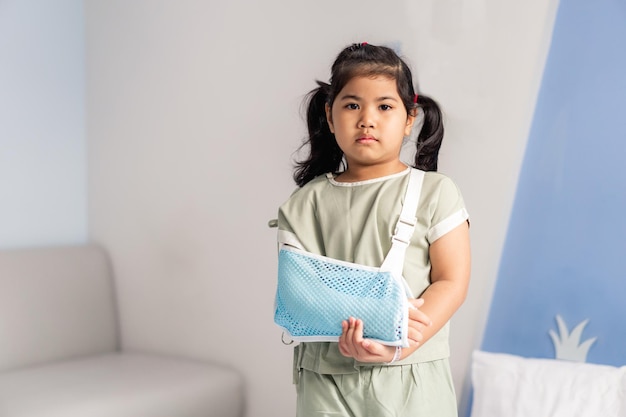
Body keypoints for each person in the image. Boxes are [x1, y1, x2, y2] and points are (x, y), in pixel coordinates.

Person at [276, 42, 471, 416]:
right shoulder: (305, 204)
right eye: (352, 105)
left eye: (384, 106)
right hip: (325, 379)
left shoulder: (435, 192)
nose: (367, 119)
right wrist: (368, 317)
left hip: (410, 378)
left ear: (410, 117)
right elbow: (298, 296)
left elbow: (452, 281)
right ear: (330, 118)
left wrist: (397, 344)